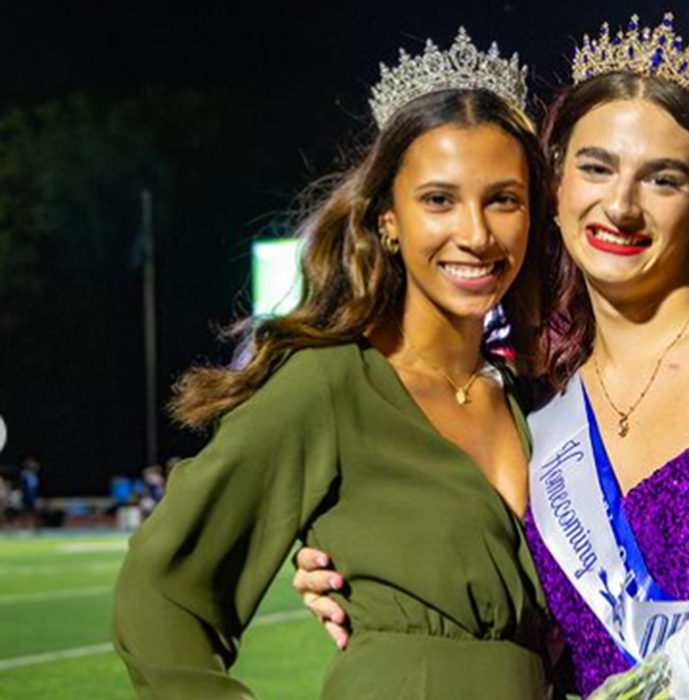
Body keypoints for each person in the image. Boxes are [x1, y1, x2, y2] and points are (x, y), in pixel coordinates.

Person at [296, 14, 689, 699]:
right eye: (596, 168)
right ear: (555, 184)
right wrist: (361, 578)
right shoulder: (536, 398)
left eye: (662, 180)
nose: (621, 207)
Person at [112, 30, 554, 700]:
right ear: (387, 218)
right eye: (438, 199)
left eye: (503, 199)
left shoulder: (535, 401)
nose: (475, 233)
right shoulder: (327, 383)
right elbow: (162, 593)